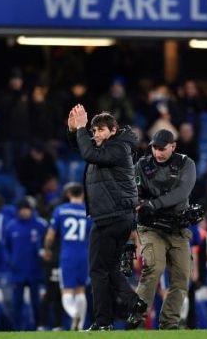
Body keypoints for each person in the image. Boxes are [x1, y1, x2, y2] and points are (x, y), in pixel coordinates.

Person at [66, 105, 146, 331]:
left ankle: (103, 322)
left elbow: (90, 153)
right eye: (93, 131)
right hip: (111, 216)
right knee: (109, 268)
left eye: (100, 130)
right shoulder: (110, 146)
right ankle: (133, 303)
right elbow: (83, 149)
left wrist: (81, 129)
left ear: (113, 130)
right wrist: (74, 131)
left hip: (113, 216)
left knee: (98, 270)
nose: (96, 135)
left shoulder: (119, 147)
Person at [130, 128, 196, 330]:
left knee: (182, 277)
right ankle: (137, 320)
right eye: (154, 148)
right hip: (151, 228)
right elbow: (134, 192)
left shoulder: (186, 163)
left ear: (173, 146)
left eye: (162, 148)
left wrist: (153, 203)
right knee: (154, 268)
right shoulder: (142, 164)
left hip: (177, 228)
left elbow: (182, 192)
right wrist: (141, 203)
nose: (157, 153)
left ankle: (169, 324)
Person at [44, 183, 91, 330]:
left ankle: (73, 313)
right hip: (84, 254)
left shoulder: (61, 210)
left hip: (67, 255)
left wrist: (47, 249)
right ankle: (79, 327)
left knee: (67, 291)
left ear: (69, 194)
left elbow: (50, 235)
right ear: (82, 194)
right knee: (81, 290)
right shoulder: (89, 212)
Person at [4, 199, 48, 331]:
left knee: (37, 303)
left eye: (26, 209)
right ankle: (17, 329)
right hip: (17, 272)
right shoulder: (11, 226)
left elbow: (48, 244)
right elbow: (6, 248)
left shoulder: (40, 225)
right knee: (17, 303)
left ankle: (38, 327)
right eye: (22, 209)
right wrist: (11, 261)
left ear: (31, 210)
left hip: (35, 271)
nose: (24, 212)